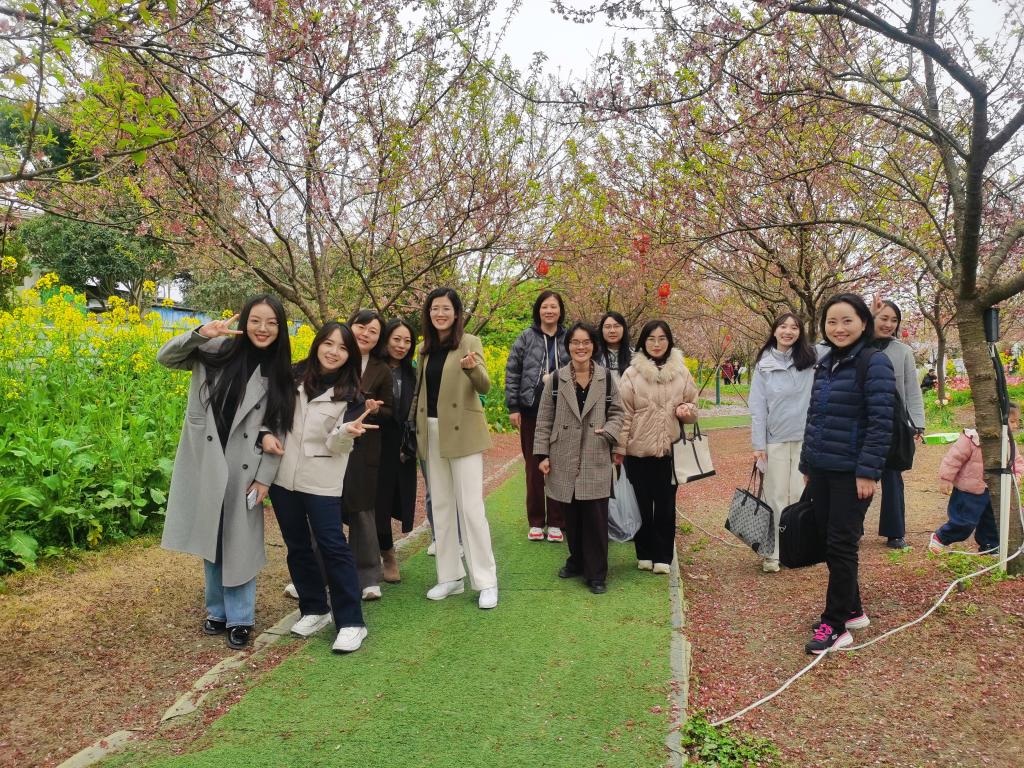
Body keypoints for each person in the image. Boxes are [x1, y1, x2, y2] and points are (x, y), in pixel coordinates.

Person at [157, 295, 295, 650]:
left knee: (239, 540)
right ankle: (217, 610)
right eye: (256, 320)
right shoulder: (216, 348)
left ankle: (241, 617)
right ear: (244, 321)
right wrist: (200, 333)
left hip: (243, 465)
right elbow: (165, 357)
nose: (262, 329)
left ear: (280, 329)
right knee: (212, 537)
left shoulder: (279, 371)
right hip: (206, 458)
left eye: (272, 323)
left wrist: (264, 478)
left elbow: (279, 428)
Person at [262, 322, 375, 653]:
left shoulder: (353, 396)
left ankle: (352, 622)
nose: (333, 352)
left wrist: (345, 433)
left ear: (350, 355)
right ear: (317, 344)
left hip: (322, 481)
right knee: (297, 545)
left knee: (332, 546)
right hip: (283, 477)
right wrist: (265, 433)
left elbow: (337, 446)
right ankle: (314, 608)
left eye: (342, 348)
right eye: (328, 343)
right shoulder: (293, 376)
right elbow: (271, 414)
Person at [800, 293, 895, 654]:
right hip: (822, 468)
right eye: (832, 321)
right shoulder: (826, 362)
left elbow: (881, 423)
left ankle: (836, 624)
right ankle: (852, 609)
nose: (838, 328)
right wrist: (807, 464)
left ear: (863, 323)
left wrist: (868, 471)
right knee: (829, 540)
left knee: (841, 544)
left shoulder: (874, 362)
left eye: (847, 321)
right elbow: (815, 417)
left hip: (853, 472)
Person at [413, 287, 498, 609]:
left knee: (471, 508)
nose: (440, 314)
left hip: (463, 433)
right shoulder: (424, 348)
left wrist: (471, 367)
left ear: (457, 312)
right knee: (442, 507)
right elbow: (421, 394)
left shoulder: (470, 342)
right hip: (432, 431)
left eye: (446, 308)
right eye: (435, 308)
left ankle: (486, 581)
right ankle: (450, 577)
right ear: (428, 313)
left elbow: (485, 385)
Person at [534, 322, 624, 594]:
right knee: (571, 515)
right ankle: (577, 561)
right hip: (564, 453)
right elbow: (544, 419)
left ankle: (596, 574)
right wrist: (542, 454)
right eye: (575, 342)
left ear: (593, 346)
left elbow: (618, 413)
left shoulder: (606, 378)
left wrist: (608, 433)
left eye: (586, 342)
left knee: (595, 517)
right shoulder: (556, 379)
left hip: (596, 452)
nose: (580, 347)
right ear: (568, 346)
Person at [614, 320, 698, 575]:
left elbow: (693, 409)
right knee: (640, 505)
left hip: (670, 452)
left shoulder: (682, 373)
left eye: (662, 338)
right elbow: (623, 415)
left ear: (669, 341)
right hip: (637, 452)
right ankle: (644, 553)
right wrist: (619, 449)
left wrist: (687, 411)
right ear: (643, 342)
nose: (657, 344)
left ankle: (663, 556)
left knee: (665, 506)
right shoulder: (631, 374)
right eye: (651, 339)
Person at [749, 312, 817, 572]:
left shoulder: (811, 360)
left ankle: (796, 549)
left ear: (800, 332)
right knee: (775, 496)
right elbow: (758, 408)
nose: (788, 331)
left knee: (800, 495)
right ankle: (772, 553)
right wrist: (759, 445)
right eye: (783, 326)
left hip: (805, 439)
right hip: (774, 441)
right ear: (774, 330)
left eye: (794, 327)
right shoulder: (764, 365)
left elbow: (844, 338)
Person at [505, 291, 570, 542]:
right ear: (538, 310)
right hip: (531, 409)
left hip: (563, 411)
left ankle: (557, 521)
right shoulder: (526, 337)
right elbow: (513, 371)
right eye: (545, 307)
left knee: (558, 466)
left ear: (560, 310)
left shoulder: (568, 338)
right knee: (533, 467)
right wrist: (513, 407)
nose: (549, 311)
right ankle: (535, 521)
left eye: (553, 306)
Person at [343, 309, 393, 601]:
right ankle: (314, 575)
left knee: (362, 512)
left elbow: (391, 411)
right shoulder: (334, 355)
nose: (365, 334)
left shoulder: (381, 369)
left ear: (379, 339)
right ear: (350, 326)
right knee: (321, 512)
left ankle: (367, 577)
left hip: (364, 449)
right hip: (327, 447)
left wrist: (374, 409)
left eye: (373, 331)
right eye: (361, 327)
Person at [929, 402, 1023, 554]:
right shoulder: (972, 439)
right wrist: (946, 478)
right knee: (964, 522)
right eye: (1012, 421)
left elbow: (1016, 460)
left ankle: (989, 545)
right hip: (968, 490)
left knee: (991, 520)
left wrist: (1017, 474)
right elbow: (953, 458)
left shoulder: (1008, 441)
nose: (1016, 426)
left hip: (993, 489)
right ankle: (941, 537)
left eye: (1017, 421)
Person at [871, 300, 926, 549]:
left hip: (893, 421)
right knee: (853, 478)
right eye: (883, 318)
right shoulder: (858, 345)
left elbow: (912, 390)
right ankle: (851, 528)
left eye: (894, 320)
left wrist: (917, 423)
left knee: (892, 477)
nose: (889, 324)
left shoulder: (902, 351)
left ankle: (895, 532)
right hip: (861, 420)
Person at [376, 318, 419, 582]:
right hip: (372, 443)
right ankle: (383, 554)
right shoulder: (372, 366)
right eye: (396, 339)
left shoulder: (413, 373)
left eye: (407, 341)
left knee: (390, 500)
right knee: (372, 503)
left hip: (401, 446)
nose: (402, 346)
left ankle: (385, 553)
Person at [597, 311, 632, 383]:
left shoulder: (635, 356)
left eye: (616, 326)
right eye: (607, 327)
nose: (612, 331)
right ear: (601, 330)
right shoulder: (594, 355)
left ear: (624, 329)